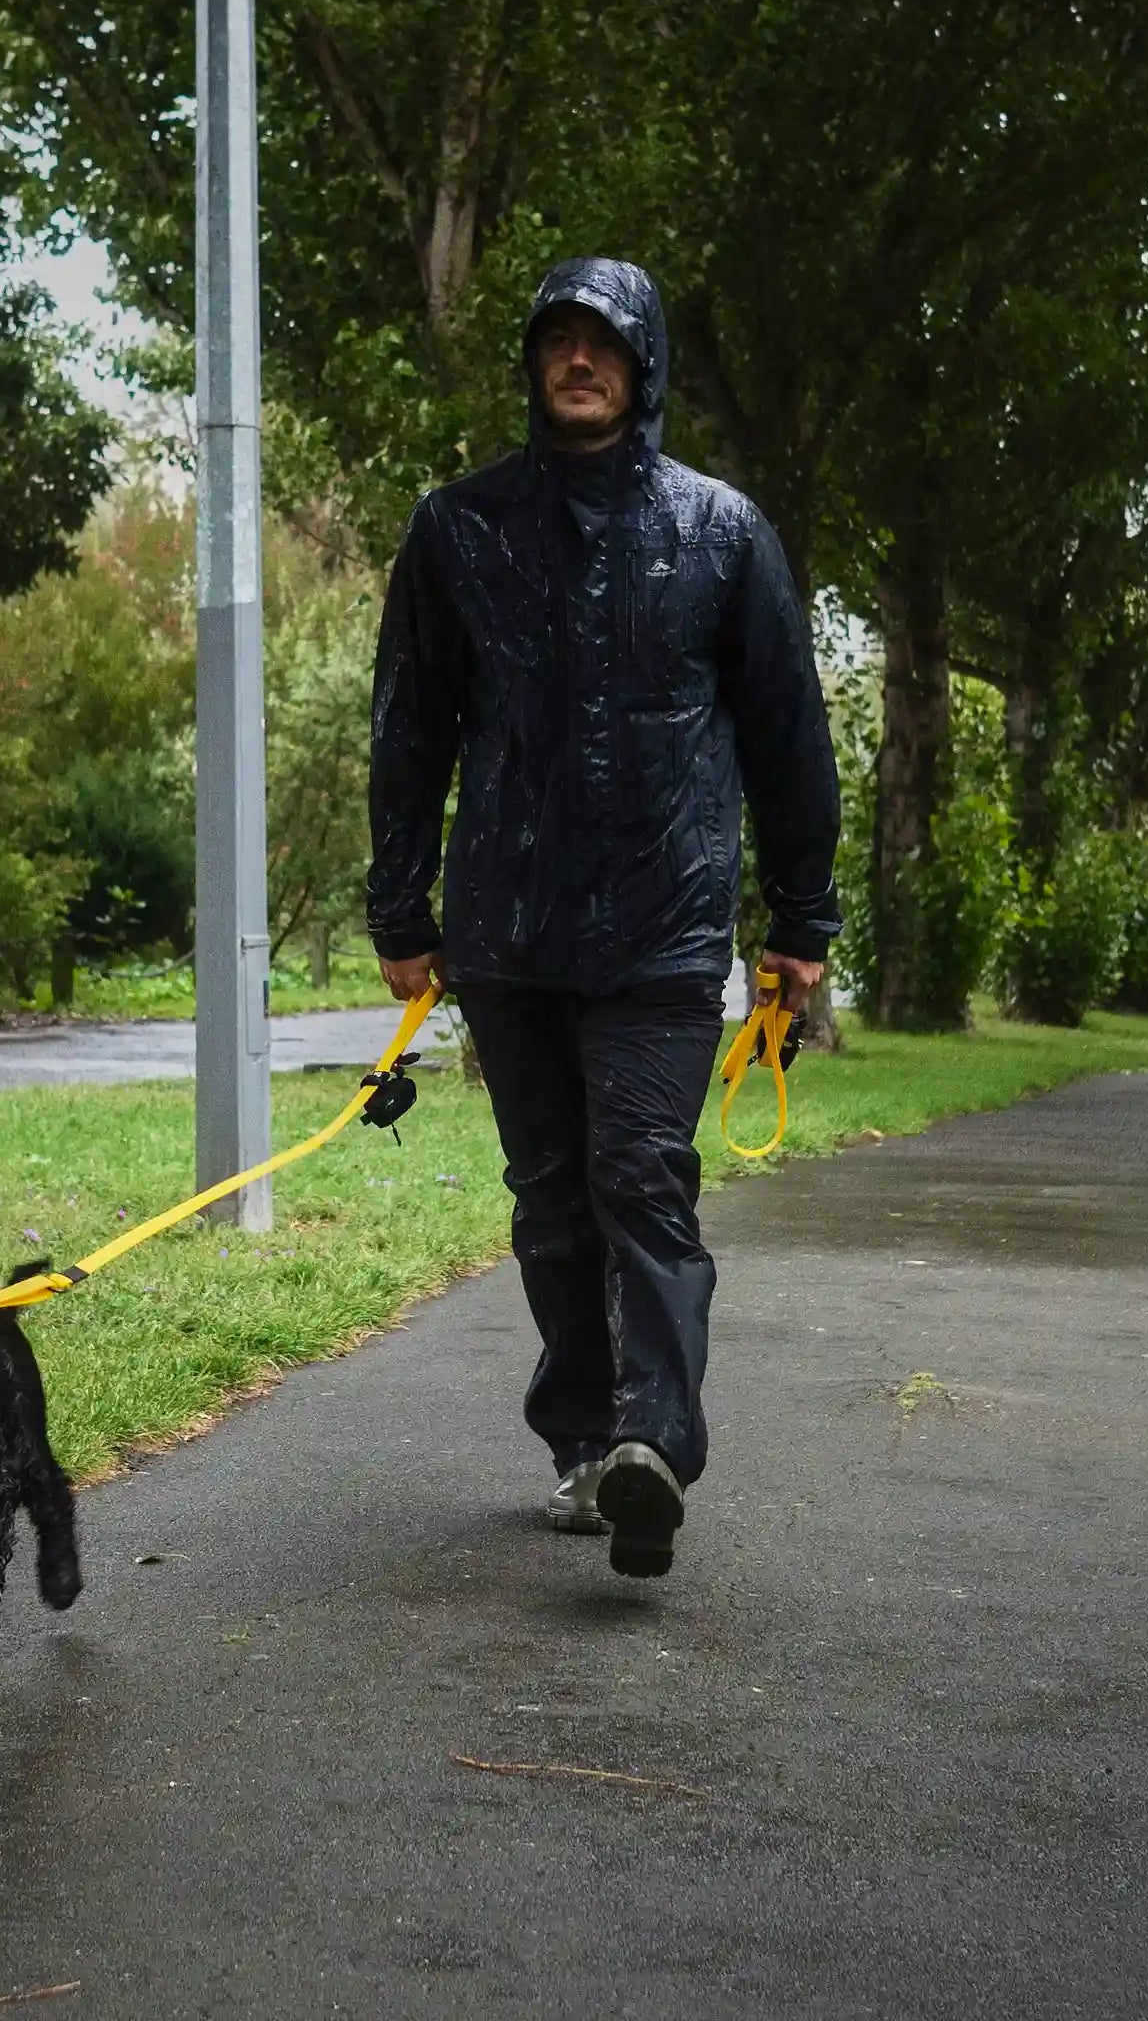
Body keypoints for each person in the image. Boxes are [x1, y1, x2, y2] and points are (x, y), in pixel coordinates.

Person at [367, 258, 841, 1577]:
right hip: (506, 934)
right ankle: (584, 1438)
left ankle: (654, 1442)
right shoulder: (458, 529)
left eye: (604, 342)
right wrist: (400, 904)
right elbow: (411, 731)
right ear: (531, 365)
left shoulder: (723, 534)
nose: (579, 359)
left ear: (645, 364)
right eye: (557, 340)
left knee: (643, 1179)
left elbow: (790, 737)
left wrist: (800, 921)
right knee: (551, 1206)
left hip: (662, 928)